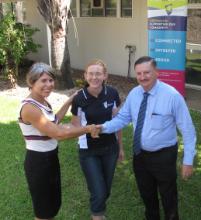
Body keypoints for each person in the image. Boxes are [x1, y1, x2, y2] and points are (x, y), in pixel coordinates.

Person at [96, 56, 196, 220]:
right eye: (139, 73)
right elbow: (122, 119)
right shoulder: (135, 93)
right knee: (147, 193)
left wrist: (188, 160)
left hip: (164, 155)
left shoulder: (172, 96)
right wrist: (103, 128)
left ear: (157, 72)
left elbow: (188, 130)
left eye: (147, 72)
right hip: (140, 154)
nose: (143, 77)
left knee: (168, 194)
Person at [18, 62, 97, 220]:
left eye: (51, 80)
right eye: (43, 81)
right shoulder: (30, 108)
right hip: (38, 162)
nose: (49, 85)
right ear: (32, 82)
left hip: (50, 158)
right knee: (43, 211)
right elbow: (58, 134)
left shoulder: (42, 102)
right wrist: (88, 129)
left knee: (52, 205)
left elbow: (54, 121)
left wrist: (69, 101)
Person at [70, 59, 124, 220]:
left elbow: (118, 122)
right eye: (91, 74)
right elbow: (75, 124)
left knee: (105, 189)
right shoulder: (79, 98)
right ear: (85, 76)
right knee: (99, 191)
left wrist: (120, 147)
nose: (94, 77)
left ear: (105, 75)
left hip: (110, 149)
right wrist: (85, 131)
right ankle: (98, 216)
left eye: (98, 73)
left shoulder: (112, 93)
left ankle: (98, 207)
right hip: (89, 151)